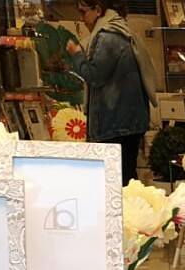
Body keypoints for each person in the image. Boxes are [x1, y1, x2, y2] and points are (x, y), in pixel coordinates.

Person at [66, 0, 155, 185]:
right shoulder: (122, 30)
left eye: (83, 12)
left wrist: (77, 55)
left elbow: (95, 76)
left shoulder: (107, 37)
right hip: (128, 122)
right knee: (127, 179)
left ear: (98, 10)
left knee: (116, 183)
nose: (82, 19)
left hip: (114, 124)